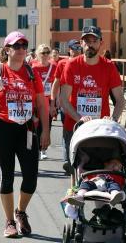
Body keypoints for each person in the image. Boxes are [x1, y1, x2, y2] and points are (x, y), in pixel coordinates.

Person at [0, 31, 50, 238]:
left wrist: (46, 132)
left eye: (24, 45)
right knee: (7, 177)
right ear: (7, 49)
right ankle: (9, 221)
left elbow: (42, 105)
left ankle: (21, 212)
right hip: (3, 128)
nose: (22, 49)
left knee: (31, 178)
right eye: (17, 46)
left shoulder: (32, 73)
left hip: (26, 129)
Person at [60, 27, 126, 175]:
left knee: (101, 169)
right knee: (76, 171)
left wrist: (113, 119)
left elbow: (120, 99)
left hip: (100, 128)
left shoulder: (109, 66)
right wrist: (79, 118)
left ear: (100, 43)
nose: (90, 44)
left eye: (94, 41)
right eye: (86, 41)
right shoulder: (72, 65)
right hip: (75, 125)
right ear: (81, 43)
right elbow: (63, 98)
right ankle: (76, 193)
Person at [50, 39, 83, 167]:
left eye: (78, 49)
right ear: (69, 50)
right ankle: (67, 160)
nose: (77, 51)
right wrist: (53, 103)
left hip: (81, 104)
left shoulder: (84, 63)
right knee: (68, 131)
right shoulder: (62, 64)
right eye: (74, 49)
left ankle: (79, 159)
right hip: (66, 104)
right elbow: (56, 83)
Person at [32, 44, 57, 160]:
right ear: (38, 54)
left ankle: (43, 149)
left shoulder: (54, 66)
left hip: (49, 100)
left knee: (47, 126)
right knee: (37, 126)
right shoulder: (33, 68)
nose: (45, 55)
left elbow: (56, 86)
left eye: (47, 52)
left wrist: (55, 104)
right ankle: (36, 148)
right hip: (37, 101)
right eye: (43, 52)